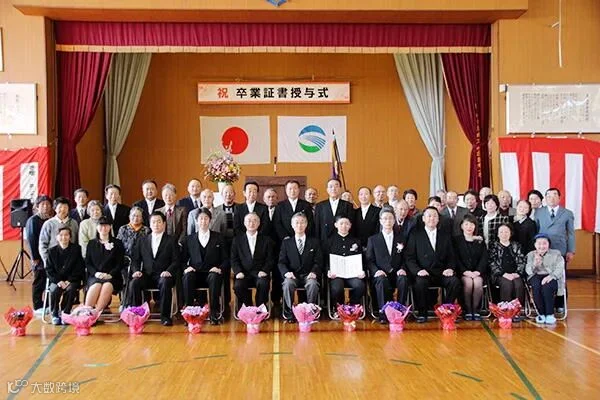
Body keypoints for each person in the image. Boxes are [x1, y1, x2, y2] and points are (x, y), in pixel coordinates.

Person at [405, 207, 460, 323]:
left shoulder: (445, 235)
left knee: (454, 282)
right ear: (423, 219)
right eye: (429, 216)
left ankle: (446, 311)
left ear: (438, 219)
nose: (432, 218)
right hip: (423, 272)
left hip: (441, 272)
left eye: (435, 216)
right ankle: (422, 313)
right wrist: (417, 271)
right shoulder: (415, 235)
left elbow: (452, 256)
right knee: (420, 283)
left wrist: (450, 268)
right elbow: (409, 257)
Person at [129, 211, 179, 326]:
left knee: (165, 282)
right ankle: (137, 315)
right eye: (153, 222)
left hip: (164, 275)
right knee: (134, 283)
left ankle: (165, 317)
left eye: (159, 222)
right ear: (150, 224)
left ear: (164, 224)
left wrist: (168, 271)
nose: (156, 224)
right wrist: (136, 271)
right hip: (147, 275)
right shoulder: (142, 240)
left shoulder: (171, 240)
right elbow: (135, 259)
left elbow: (176, 260)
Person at [181, 208, 228, 324]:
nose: (203, 221)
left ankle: (214, 313)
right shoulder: (189, 239)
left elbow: (226, 259)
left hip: (212, 273)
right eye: (201, 219)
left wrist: (219, 268)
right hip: (195, 273)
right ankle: (189, 313)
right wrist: (186, 268)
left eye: (206, 219)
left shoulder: (219, 237)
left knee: (214, 277)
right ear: (196, 221)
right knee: (187, 277)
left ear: (210, 221)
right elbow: (181, 260)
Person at [535, 187, 575, 310]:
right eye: (548, 196)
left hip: (560, 250)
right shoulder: (539, 212)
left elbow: (571, 233)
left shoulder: (567, 213)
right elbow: (536, 230)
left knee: (560, 277)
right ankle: (544, 304)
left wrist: (571, 250)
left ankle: (560, 304)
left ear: (559, 198)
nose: (551, 198)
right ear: (545, 198)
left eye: (554, 195)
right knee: (543, 277)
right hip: (542, 250)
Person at [278, 212, 323, 322]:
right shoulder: (286, 243)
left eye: (302, 222)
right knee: (287, 283)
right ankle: (289, 311)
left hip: (308, 275)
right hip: (293, 276)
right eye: (297, 223)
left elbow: (319, 261)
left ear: (306, 224)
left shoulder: (314, 242)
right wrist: (286, 273)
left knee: (312, 284)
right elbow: (281, 262)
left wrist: (314, 272)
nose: (299, 225)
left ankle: (310, 310)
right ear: (292, 225)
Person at [366, 208, 409, 323]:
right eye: (385, 219)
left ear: (394, 220)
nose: (388, 221)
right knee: (381, 280)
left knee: (403, 279)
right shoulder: (373, 239)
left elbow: (407, 257)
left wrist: (403, 268)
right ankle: (383, 313)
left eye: (390, 218)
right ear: (380, 221)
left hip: (397, 273)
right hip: (381, 273)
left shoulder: (402, 238)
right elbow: (369, 260)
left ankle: (400, 311)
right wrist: (376, 271)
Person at [231, 213, 274, 308]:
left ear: (259, 223)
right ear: (244, 223)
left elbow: (270, 259)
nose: (251, 223)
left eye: (255, 221)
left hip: (260, 272)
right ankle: (248, 306)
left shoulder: (266, 240)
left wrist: (264, 270)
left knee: (263, 284)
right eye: (249, 221)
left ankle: (260, 307)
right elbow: (234, 259)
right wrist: (238, 271)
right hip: (243, 273)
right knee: (238, 286)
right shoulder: (237, 240)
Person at [84, 217, 125, 314]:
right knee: (96, 285)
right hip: (95, 276)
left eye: (106, 225)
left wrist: (110, 274)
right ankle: (86, 311)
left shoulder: (117, 243)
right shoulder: (91, 243)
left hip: (113, 277)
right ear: (97, 227)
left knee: (107, 285)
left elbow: (120, 263)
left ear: (110, 227)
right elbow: (88, 263)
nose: (104, 228)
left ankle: (96, 312)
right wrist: (96, 273)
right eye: (101, 225)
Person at [45, 227, 85, 325]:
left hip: (72, 279)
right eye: (61, 235)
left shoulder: (76, 249)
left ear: (70, 237)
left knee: (71, 289)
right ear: (57, 237)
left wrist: (69, 281)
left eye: (66, 235)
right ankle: (55, 313)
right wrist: (59, 281)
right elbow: (49, 270)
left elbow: (79, 267)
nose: (64, 237)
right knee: (55, 290)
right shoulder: (51, 251)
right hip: (57, 280)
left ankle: (66, 312)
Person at [327, 216, 365, 314]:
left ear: (350, 226)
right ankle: (339, 308)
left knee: (359, 286)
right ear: (336, 225)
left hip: (353, 274)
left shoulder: (356, 241)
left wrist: (362, 271)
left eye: (347, 224)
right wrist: (328, 271)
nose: (344, 226)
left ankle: (351, 306)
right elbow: (325, 259)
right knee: (337, 288)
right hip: (336, 274)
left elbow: (362, 258)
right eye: (341, 223)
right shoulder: (329, 241)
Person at [453, 215, 488, 320]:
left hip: (478, 272)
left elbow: (484, 258)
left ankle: (476, 310)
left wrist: (478, 271)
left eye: (472, 224)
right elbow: (455, 258)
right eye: (466, 224)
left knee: (477, 282)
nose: (469, 227)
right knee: (468, 282)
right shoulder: (456, 240)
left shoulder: (480, 240)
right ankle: (467, 310)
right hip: (462, 272)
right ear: (462, 226)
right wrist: (464, 271)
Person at [488, 223, 527, 318]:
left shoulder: (516, 245)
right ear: (498, 234)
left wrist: (517, 273)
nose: (504, 234)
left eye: (506, 232)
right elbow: (492, 262)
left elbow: (522, 260)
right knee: (507, 284)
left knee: (518, 284)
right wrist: (503, 274)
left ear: (510, 233)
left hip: (515, 274)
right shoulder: (493, 246)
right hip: (500, 275)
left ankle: (517, 311)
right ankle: (506, 312)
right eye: (501, 232)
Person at [526, 234, 565, 324]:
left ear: (548, 244)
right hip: (535, 275)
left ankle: (549, 314)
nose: (542, 246)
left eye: (544, 243)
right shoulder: (531, 255)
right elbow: (528, 271)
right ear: (535, 245)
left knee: (547, 287)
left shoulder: (556, 254)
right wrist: (535, 264)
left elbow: (560, 268)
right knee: (536, 286)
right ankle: (541, 314)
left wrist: (551, 276)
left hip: (552, 276)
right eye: (539, 243)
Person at [25, 195, 53, 314]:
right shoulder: (33, 220)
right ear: (37, 206)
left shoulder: (50, 219)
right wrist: (35, 257)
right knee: (39, 282)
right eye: (42, 204)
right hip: (38, 258)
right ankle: (37, 306)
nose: (45, 207)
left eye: (48, 204)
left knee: (48, 281)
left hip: (49, 256)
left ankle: (47, 305)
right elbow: (31, 240)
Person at [39, 197, 79, 266]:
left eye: (65, 207)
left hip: (71, 261)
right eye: (60, 207)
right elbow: (43, 244)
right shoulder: (48, 223)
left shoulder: (74, 223)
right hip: (53, 261)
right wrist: (47, 262)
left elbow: (76, 242)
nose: (62, 210)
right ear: (55, 209)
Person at [314, 178, 354, 245]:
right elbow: (317, 226)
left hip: (343, 242)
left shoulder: (348, 205)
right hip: (324, 242)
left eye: (336, 186)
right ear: (327, 190)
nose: (333, 189)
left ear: (340, 189)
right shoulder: (320, 206)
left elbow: (351, 225)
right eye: (331, 186)